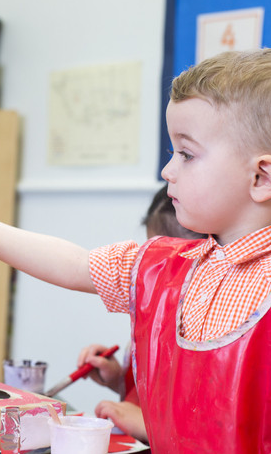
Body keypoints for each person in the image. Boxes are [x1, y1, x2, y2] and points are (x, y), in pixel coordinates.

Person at [0, 48, 271, 453]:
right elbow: (76, 264)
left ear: (262, 178)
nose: (167, 170)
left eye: (187, 155)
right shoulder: (162, 265)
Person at [77, 184, 206, 442]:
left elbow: (209, 431)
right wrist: (117, 378)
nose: (150, 273)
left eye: (160, 265)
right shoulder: (154, 317)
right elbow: (154, 392)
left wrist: (147, 426)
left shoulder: (207, 335)